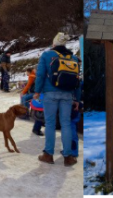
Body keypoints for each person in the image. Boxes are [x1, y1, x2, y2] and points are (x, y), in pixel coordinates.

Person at [34, 32, 79, 167]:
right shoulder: (73, 58)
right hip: (67, 95)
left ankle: (48, 154)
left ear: (54, 43)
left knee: (50, 123)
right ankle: (68, 157)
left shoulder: (47, 55)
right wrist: (76, 98)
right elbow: (77, 78)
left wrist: (37, 91)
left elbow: (40, 75)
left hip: (50, 93)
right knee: (65, 123)